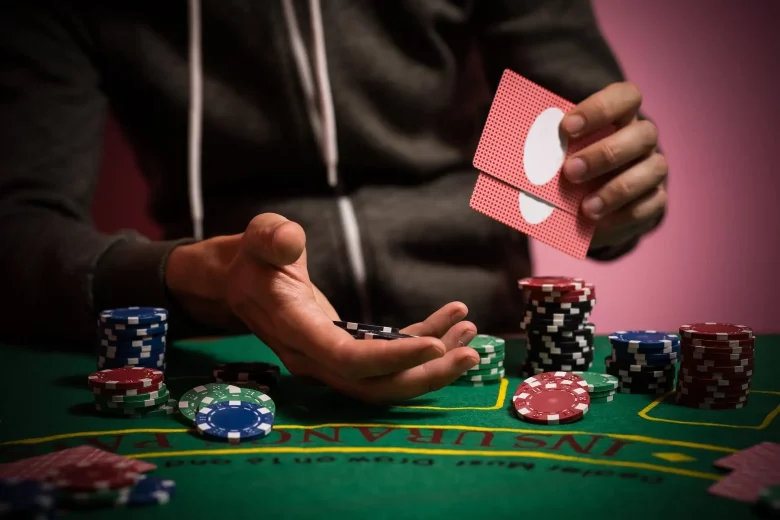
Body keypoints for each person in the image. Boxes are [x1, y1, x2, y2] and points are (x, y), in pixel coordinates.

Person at [0, 1, 667, 403]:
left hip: (483, 350)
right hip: (229, 360)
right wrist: (198, 275)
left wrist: (611, 199)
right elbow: (17, 229)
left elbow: (588, 166)